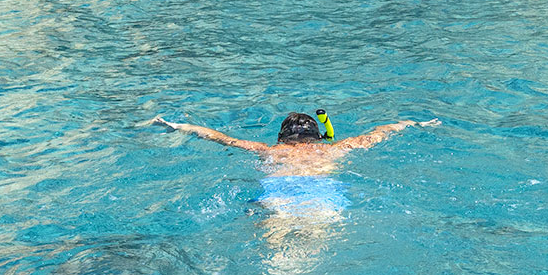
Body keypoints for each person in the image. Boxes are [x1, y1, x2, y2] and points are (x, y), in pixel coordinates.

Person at [148, 110, 439, 175]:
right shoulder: (337, 148)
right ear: (318, 136)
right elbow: (383, 131)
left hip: (279, 198)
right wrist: (413, 123)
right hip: (323, 200)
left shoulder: (267, 150)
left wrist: (176, 126)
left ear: (281, 137)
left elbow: (217, 137)